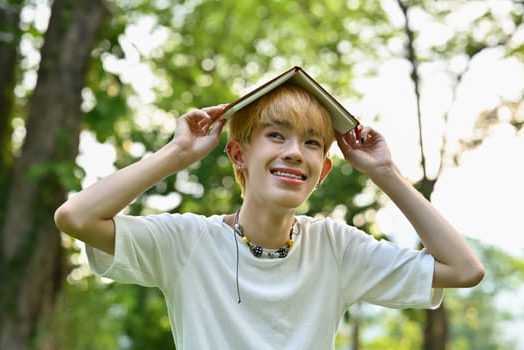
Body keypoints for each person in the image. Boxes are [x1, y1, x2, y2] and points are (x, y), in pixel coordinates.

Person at [54, 83, 484, 349]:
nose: (295, 152)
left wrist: (385, 172)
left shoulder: (336, 248)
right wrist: (178, 153)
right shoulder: (186, 242)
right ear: (239, 154)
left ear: (322, 173)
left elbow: (463, 269)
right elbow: (76, 217)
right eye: (276, 135)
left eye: (313, 142)